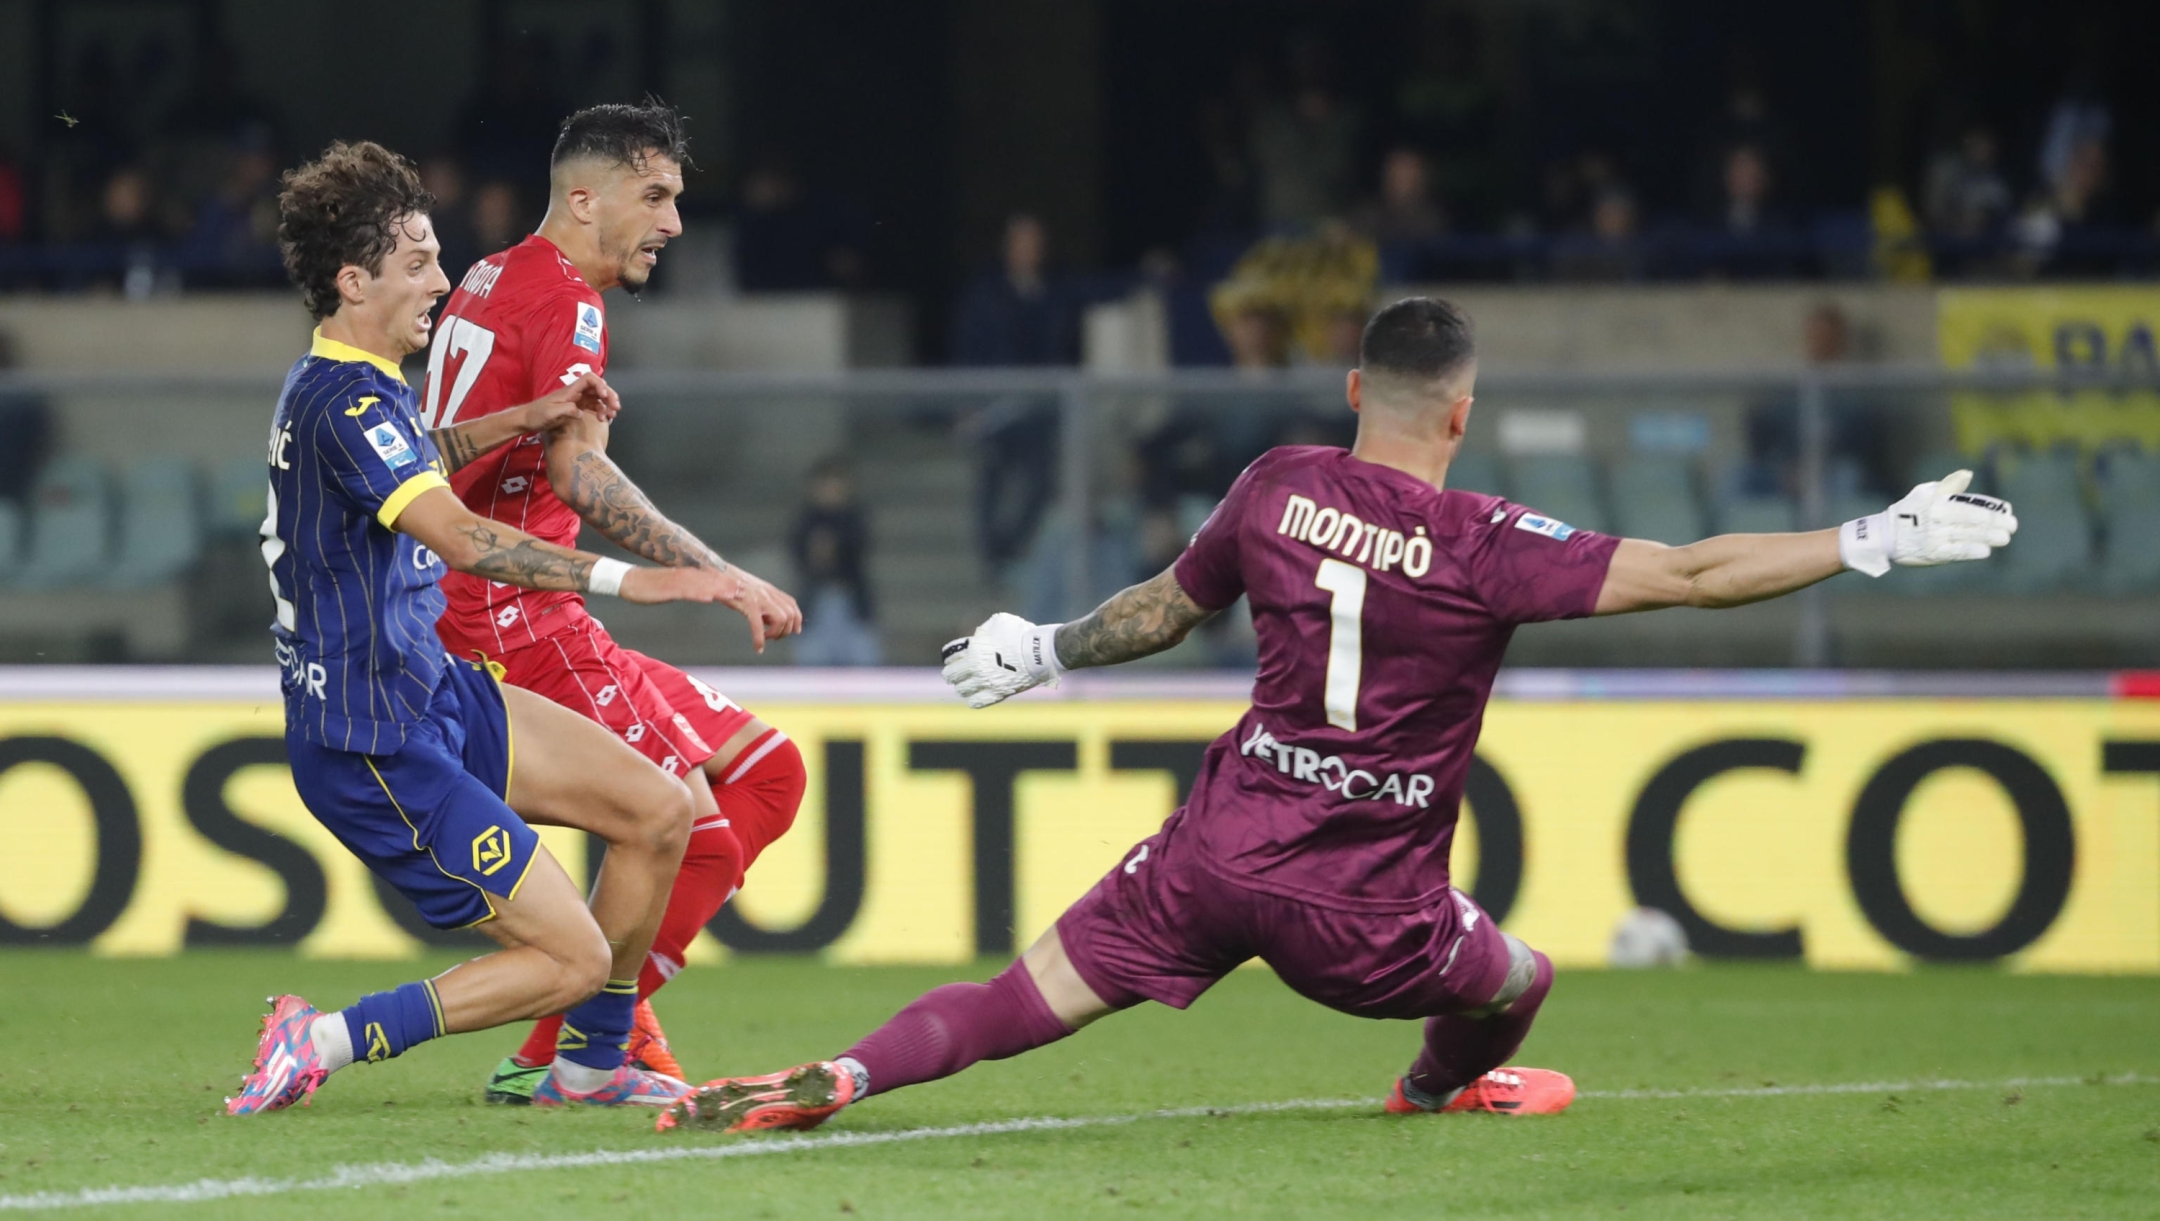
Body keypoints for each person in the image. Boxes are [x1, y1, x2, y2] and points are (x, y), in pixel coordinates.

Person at [664, 297, 2019, 1133]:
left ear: (1360, 389)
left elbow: (1160, 611)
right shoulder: (1488, 538)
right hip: (1368, 906)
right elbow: (1691, 574)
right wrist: (1867, 537)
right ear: (1464, 411)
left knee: (1018, 997)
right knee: (1521, 979)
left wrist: (1043, 649)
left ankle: (844, 1073)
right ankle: (1436, 1089)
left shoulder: (1275, 483)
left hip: (1213, 853)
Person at [227, 140, 759, 1115]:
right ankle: (329, 1036)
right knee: (570, 959)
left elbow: (420, 452)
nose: (441, 278)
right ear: (354, 281)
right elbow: (464, 537)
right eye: (418, 263)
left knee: (660, 812)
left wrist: (530, 410)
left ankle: (590, 1071)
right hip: (374, 742)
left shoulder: (362, 381)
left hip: (430, 691)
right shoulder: (343, 401)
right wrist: (630, 581)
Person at [419, 101, 808, 1105]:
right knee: (692, 828)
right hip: (503, 612)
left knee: (767, 773)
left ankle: (569, 1043)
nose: (674, 223)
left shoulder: (492, 273)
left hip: (512, 603)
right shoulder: (569, 303)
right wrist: (711, 570)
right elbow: (581, 476)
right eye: (657, 196)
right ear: (584, 199)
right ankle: (583, 1054)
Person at [789, 457, 880, 666]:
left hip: (853, 604)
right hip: (814, 603)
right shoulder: (804, 522)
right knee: (813, 663)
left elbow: (859, 552)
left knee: (863, 662)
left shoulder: (856, 520)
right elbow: (799, 558)